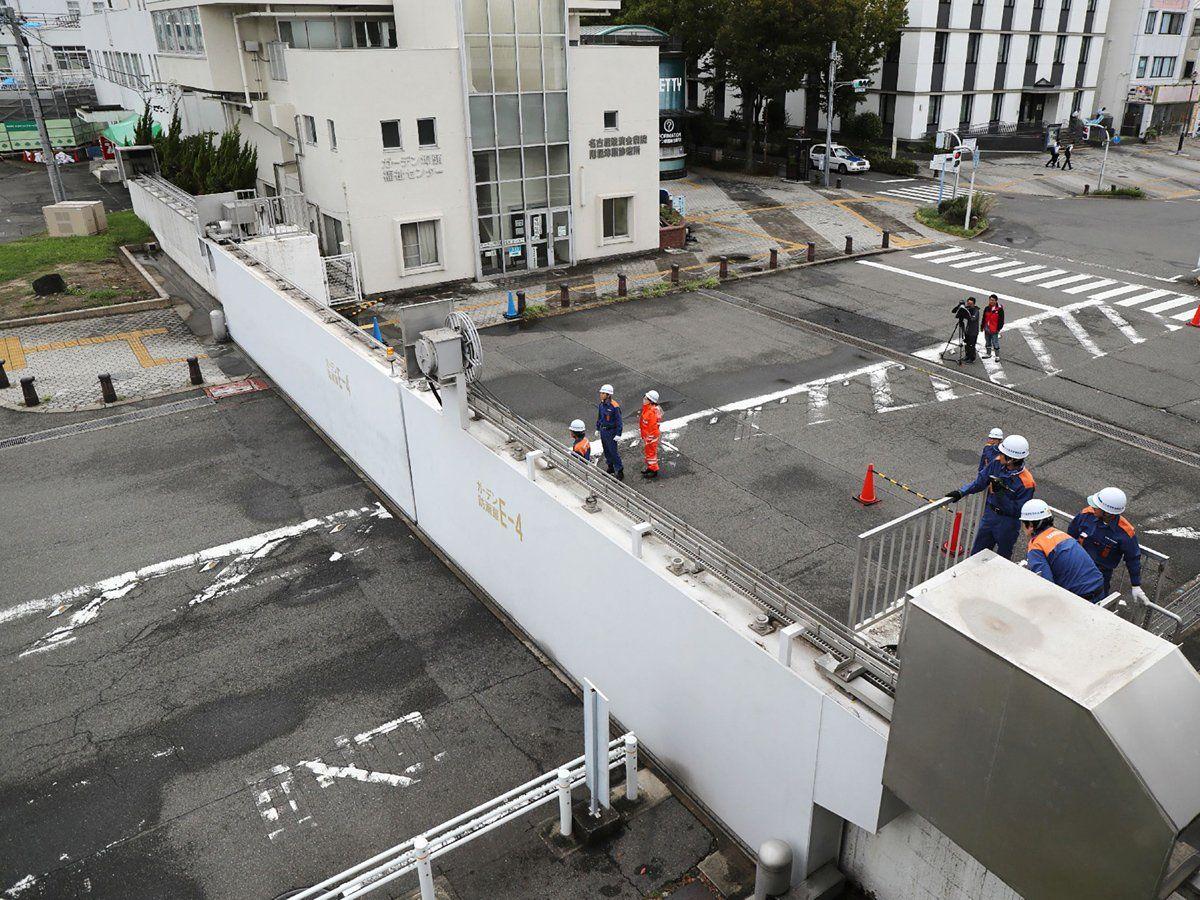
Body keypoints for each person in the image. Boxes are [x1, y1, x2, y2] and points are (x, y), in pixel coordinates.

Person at [945, 434, 1036, 560]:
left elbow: (1018, 510)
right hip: (990, 516)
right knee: (977, 554)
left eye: (1002, 453)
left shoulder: (1027, 483)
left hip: (1008, 523)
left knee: (1002, 559)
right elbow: (980, 482)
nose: (999, 454)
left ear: (1011, 459)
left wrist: (1000, 494)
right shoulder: (997, 463)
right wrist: (961, 492)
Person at [1067, 487, 1149, 605]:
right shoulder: (1086, 515)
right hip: (1075, 565)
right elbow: (1070, 536)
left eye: (1097, 507)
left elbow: (1133, 559)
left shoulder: (1125, 532)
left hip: (1099, 576)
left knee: (1095, 606)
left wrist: (1135, 584)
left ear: (1108, 513)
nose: (1093, 507)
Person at [1021, 499, 1106, 601]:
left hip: (1081, 597)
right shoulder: (1061, 535)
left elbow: (1045, 584)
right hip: (1098, 588)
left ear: (1030, 525)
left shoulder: (1036, 546)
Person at [596, 384, 624, 481]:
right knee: (606, 450)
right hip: (604, 430)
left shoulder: (614, 406)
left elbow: (619, 421)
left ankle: (619, 469)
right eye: (601, 393)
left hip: (611, 432)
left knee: (613, 451)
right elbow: (599, 417)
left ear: (608, 395)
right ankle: (610, 466)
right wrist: (597, 428)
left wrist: (618, 434)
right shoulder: (601, 405)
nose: (601, 394)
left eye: (603, 393)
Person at [639, 390, 663, 479]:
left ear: (651, 401)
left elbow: (652, 427)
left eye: (646, 398)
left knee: (651, 453)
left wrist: (649, 438)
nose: (644, 399)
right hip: (647, 435)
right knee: (649, 453)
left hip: (650, 437)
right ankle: (650, 467)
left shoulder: (651, 412)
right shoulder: (648, 408)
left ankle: (654, 470)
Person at [953, 296, 980, 362]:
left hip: (973, 331)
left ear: (974, 304)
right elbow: (954, 311)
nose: (969, 305)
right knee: (967, 344)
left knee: (971, 345)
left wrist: (966, 314)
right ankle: (967, 356)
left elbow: (973, 319)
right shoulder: (967, 309)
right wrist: (959, 306)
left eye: (970, 304)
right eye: (968, 304)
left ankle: (972, 358)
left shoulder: (976, 311)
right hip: (968, 330)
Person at [982, 294, 1004, 360]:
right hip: (987, 328)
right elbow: (984, 318)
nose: (991, 301)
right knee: (987, 342)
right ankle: (988, 354)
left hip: (994, 329)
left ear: (996, 301)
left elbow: (1001, 321)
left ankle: (997, 356)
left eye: (992, 300)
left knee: (995, 343)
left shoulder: (999, 310)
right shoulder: (987, 308)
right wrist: (982, 326)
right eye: (990, 300)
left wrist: (998, 329)